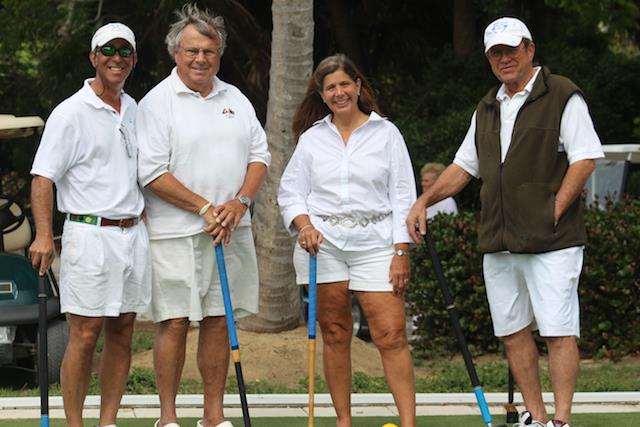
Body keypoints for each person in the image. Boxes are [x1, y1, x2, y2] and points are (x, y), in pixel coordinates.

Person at [407, 17, 604, 427]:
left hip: (553, 241)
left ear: (529, 49)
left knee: (557, 331)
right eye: (496, 53)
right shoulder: (487, 107)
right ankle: (537, 417)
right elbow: (464, 167)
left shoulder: (562, 93)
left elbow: (585, 159)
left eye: (511, 49)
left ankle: (561, 421)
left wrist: (553, 210)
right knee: (512, 332)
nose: (504, 58)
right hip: (498, 241)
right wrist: (424, 200)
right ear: (489, 59)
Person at [136, 4, 270, 427]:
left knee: (217, 320)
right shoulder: (156, 103)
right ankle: (168, 418)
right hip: (174, 233)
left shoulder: (236, 99)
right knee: (175, 321)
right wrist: (204, 207)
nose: (200, 59)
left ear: (219, 54)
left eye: (209, 51)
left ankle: (213, 416)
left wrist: (240, 203)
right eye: (192, 51)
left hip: (230, 229)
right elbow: (151, 172)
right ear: (176, 53)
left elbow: (259, 157)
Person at [278, 54, 417, 427]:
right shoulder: (312, 139)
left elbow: (403, 194)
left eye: (344, 84)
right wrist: (304, 225)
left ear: (357, 86)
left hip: (377, 243)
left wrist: (401, 250)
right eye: (330, 88)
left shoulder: (386, 134)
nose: (338, 93)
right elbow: (290, 193)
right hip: (323, 246)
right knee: (336, 332)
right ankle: (344, 421)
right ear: (322, 95)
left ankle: (408, 423)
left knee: (391, 334)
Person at [29, 22, 150, 427]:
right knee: (84, 332)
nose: (117, 58)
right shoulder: (70, 112)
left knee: (123, 328)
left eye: (125, 52)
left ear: (134, 59)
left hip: (131, 234)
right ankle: (75, 424)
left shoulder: (134, 109)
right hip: (88, 232)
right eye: (108, 51)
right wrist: (43, 235)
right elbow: (43, 177)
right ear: (93, 57)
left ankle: (107, 422)